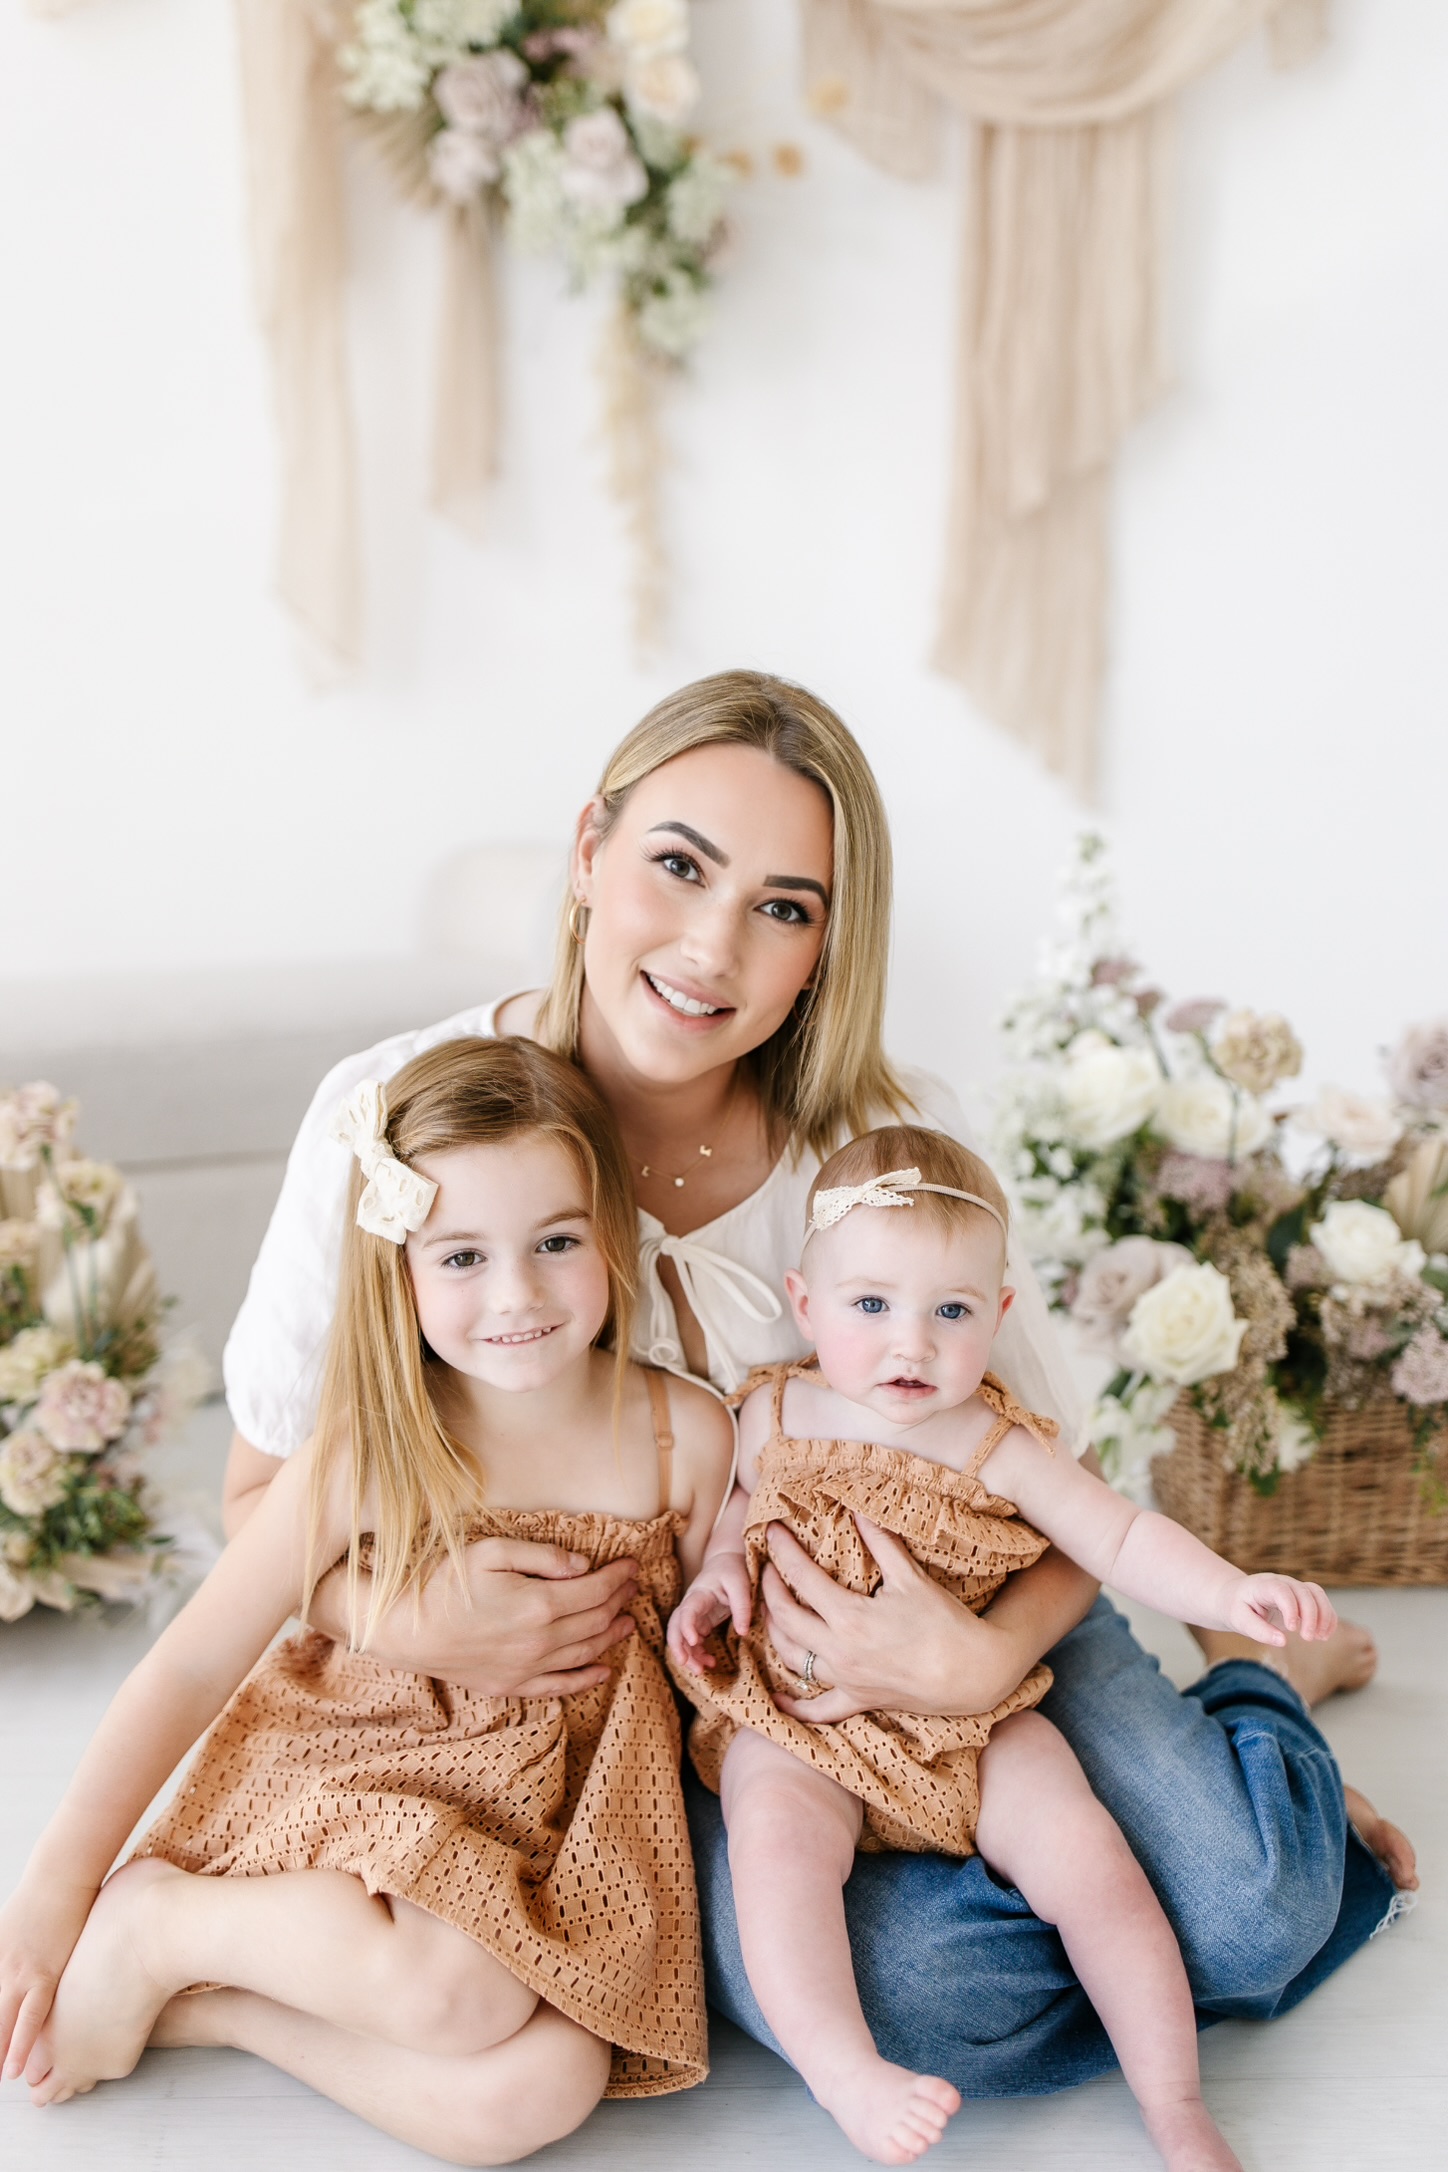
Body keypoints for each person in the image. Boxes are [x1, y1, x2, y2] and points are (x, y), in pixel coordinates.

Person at [213, 670, 1411, 2107]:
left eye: (782, 907)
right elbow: (257, 1497)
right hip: (713, 1701)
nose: (711, 947)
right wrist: (402, 1615)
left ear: (823, 952)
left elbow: (1063, 1498)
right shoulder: (406, 1117)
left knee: (1253, 1913)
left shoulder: (889, 1148)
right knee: (914, 1998)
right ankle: (1134, 1880)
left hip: (972, 1607)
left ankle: (1265, 1700)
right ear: (589, 850)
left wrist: (980, 1660)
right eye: (678, 866)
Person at [0, 1040, 735, 2161]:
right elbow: (192, 1663)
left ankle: (216, 2005)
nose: (518, 1295)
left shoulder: (685, 1436)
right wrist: (54, 1893)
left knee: (540, 2090)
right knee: (461, 1993)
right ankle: (154, 1915)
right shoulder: (373, 1448)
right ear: (401, 1269)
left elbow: (703, 1657)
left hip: (554, 1824)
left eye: (555, 1241)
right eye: (462, 1256)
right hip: (372, 1774)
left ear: (612, 1235)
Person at [670, 1126, 1346, 2169]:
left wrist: (1230, 1589)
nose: (911, 1345)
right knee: (773, 1848)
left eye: (950, 1312)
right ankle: (846, 2071)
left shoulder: (1000, 1444)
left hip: (975, 1720)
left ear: (999, 1312)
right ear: (805, 1304)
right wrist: (718, 1578)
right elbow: (730, 1518)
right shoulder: (770, 1414)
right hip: (801, 1723)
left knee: (1091, 1861)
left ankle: (1173, 2100)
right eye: (870, 1306)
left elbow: (1119, 1537)